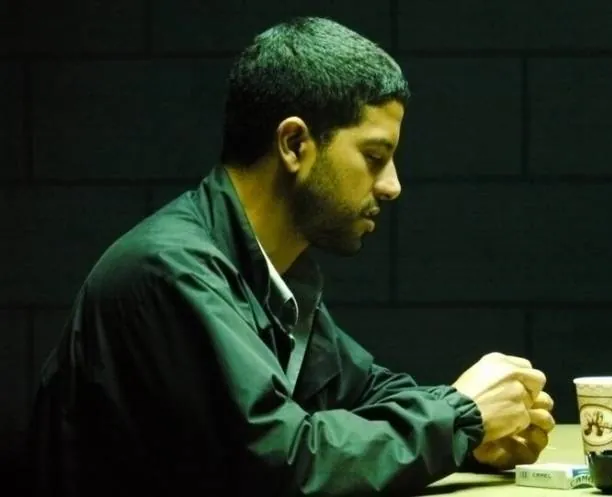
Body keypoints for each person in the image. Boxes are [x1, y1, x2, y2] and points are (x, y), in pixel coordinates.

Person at [27, 16, 555, 497]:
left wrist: (476, 432)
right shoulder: (170, 271)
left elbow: (365, 393)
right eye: (375, 156)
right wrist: (461, 417)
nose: (392, 185)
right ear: (295, 144)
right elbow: (282, 461)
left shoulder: (268, 273)